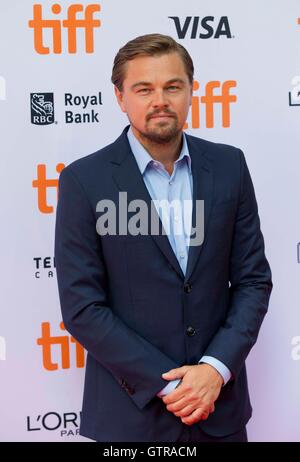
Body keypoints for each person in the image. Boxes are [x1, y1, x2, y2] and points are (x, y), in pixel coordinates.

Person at [54, 33, 272, 443]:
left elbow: (253, 281)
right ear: (120, 98)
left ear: (191, 91)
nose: (160, 100)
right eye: (144, 89)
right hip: (131, 418)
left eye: (173, 86)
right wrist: (172, 385)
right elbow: (82, 306)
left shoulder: (229, 166)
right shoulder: (84, 181)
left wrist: (215, 370)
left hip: (219, 410)